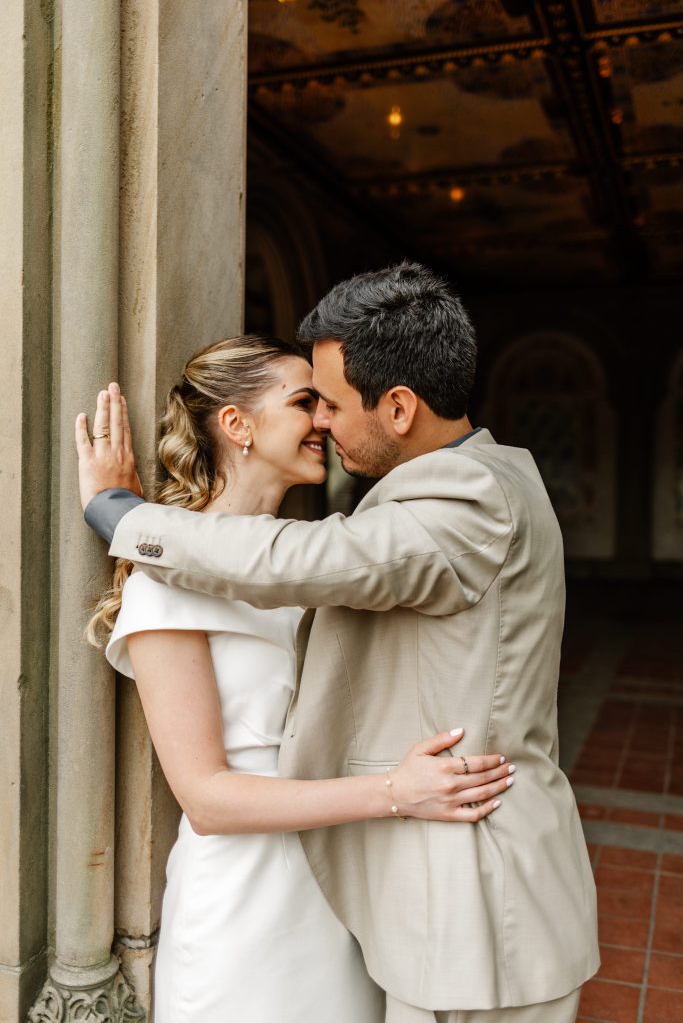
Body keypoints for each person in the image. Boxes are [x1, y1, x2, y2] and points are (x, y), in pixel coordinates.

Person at [78, 263, 599, 1023]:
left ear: (397, 407)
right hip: (285, 896)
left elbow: (299, 562)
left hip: (440, 899)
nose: (321, 420)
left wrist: (118, 514)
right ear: (236, 425)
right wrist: (391, 791)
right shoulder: (202, 572)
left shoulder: (453, 501)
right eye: (305, 402)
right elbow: (208, 786)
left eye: (329, 401)